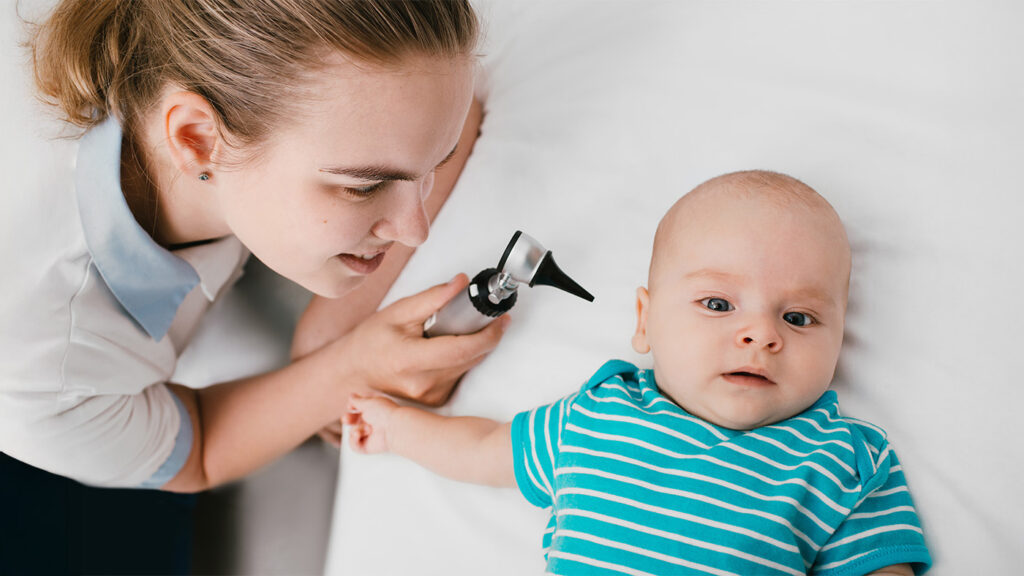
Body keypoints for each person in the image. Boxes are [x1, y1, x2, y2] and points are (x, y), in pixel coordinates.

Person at [0, 0, 503, 572]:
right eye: (364, 188)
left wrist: (331, 324)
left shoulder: (310, 98)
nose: (417, 230)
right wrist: (347, 367)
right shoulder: (39, 361)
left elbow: (449, 119)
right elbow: (199, 450)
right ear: (195, 139)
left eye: (428, 169)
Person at [344, 170, 933, 575]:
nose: (761, 334)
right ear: (645, 324)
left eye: (799, 317)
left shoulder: (844, 458)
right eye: (719, 305)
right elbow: (486, 448)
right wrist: (396, 428)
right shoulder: (600, 412)